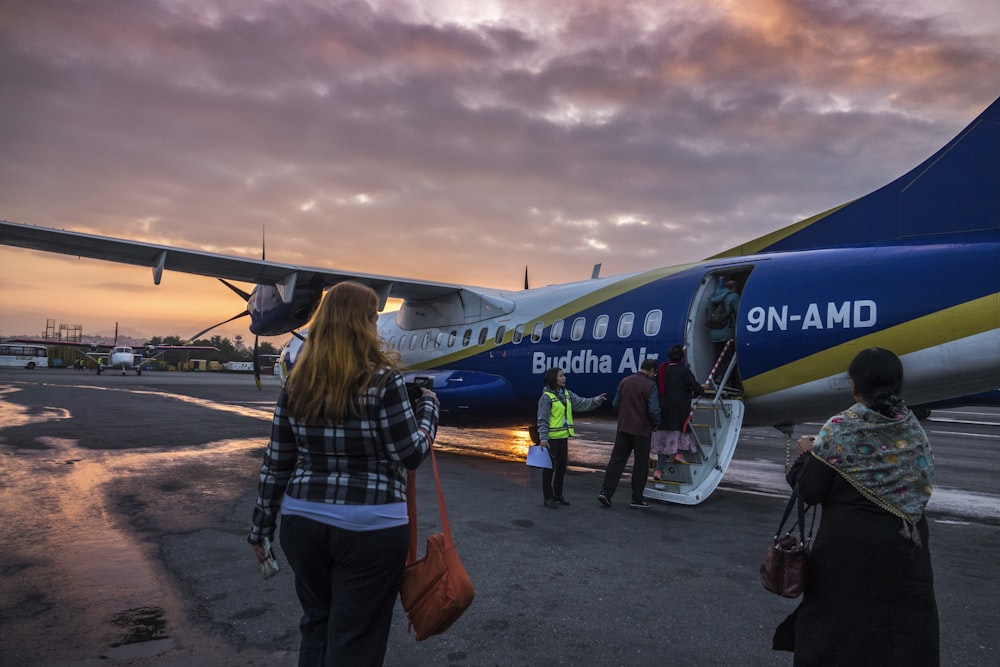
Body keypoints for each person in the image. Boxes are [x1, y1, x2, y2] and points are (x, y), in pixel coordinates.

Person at [248, 281, 439, 667]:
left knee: (316, 624)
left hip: (303, 524)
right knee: (356, 636)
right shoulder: (384, 380)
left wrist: (261, 527)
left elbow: (278, 460)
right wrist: (430, 411)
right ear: (363, 324)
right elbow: (411, 453)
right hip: (369, 528)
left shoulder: (296, 383)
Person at [774, 347, 938, 665]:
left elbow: (809, 490)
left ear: (854, 386)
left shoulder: (842, 428)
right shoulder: (912, 429)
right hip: (909, 551)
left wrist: (808, 455)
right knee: (898, 638)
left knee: (838, 636)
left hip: (849, 555)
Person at [536, 367, 606, 509]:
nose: (564, 378)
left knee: (561, 468)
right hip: (551, 440)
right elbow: (542, 419)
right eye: (561, 376)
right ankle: (548, 497)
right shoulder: (546, 398)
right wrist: (543, 439)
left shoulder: (567, 394)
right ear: (553, 378)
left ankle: (558, 495)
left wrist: (596, 400)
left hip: (563, 437)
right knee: (549, 469)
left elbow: (582, 403)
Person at [598, 358, 661, 509]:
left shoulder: (625, 381)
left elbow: (615, 404)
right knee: (640, 465)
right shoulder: (651, 385)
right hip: (642, 431)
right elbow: (653, 410)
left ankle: (606, 492)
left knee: (617, 461)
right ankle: (637, 498)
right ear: (652, 370)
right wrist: (656, 424)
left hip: (624, 428)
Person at [651, 345, 704, 479]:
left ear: (669, 357)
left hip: (663, 410)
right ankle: (678, 454)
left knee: (663, 442)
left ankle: (658, 470)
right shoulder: (684, 371)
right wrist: (702, 389)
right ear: (682, 358)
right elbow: (696, 388)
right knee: (680, 433)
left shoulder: (662, 370)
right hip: (680, 410)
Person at [705, 277, 741, 390]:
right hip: (727, 333)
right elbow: (738, 312)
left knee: (718, 358)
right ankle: (727, 382)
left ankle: (717, 378)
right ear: (734, 287)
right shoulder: (733, 296)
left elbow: (708, 311)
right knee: (729, 359)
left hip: (714, 333)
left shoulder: (714, 296)